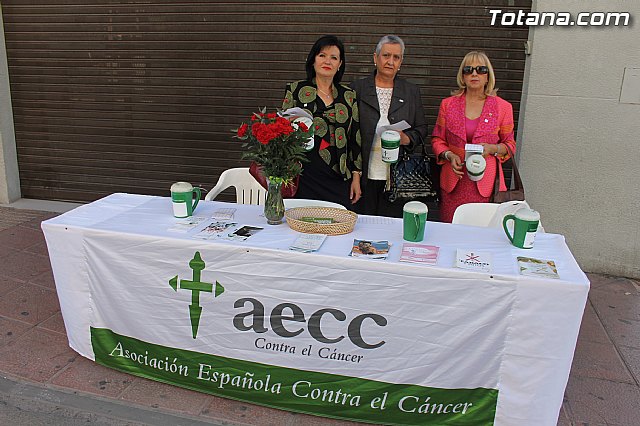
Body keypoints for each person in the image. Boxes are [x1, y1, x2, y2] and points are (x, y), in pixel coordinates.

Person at [431, 51, 517, 223]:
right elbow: (437, 140)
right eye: (468, 69)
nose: (474, 74)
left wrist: (493, 148)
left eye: (481, 69)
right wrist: (449, 155)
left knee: (481, 236)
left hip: (485, 184)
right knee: (451, 230)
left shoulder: (503, 107)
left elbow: (510, 145)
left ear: (488, 76)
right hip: (454, 181)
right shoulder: (447, 105)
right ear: (462, 76)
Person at [350, 35, 428, 217]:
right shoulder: (357, 89)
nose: (390, 62)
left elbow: (422, 128)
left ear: (401, 62)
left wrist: (406, 138)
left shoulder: (410, 91)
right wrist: (354, 173)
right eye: (386, 56)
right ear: (375, 58)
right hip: (363, 177)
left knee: (391, 230)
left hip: (397, 178)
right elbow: (349, 134)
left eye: (396, 57)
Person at [282, 35, 362, 207]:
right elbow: (281, 131)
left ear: (340, 64)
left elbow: (355, 137)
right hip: (303, 175)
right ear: (313, 60)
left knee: (337, 227)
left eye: (334, 57)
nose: (328, 61)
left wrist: (356, 176)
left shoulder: (348, 96)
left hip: (338, 176)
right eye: (322, 55)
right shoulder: (295, 90)